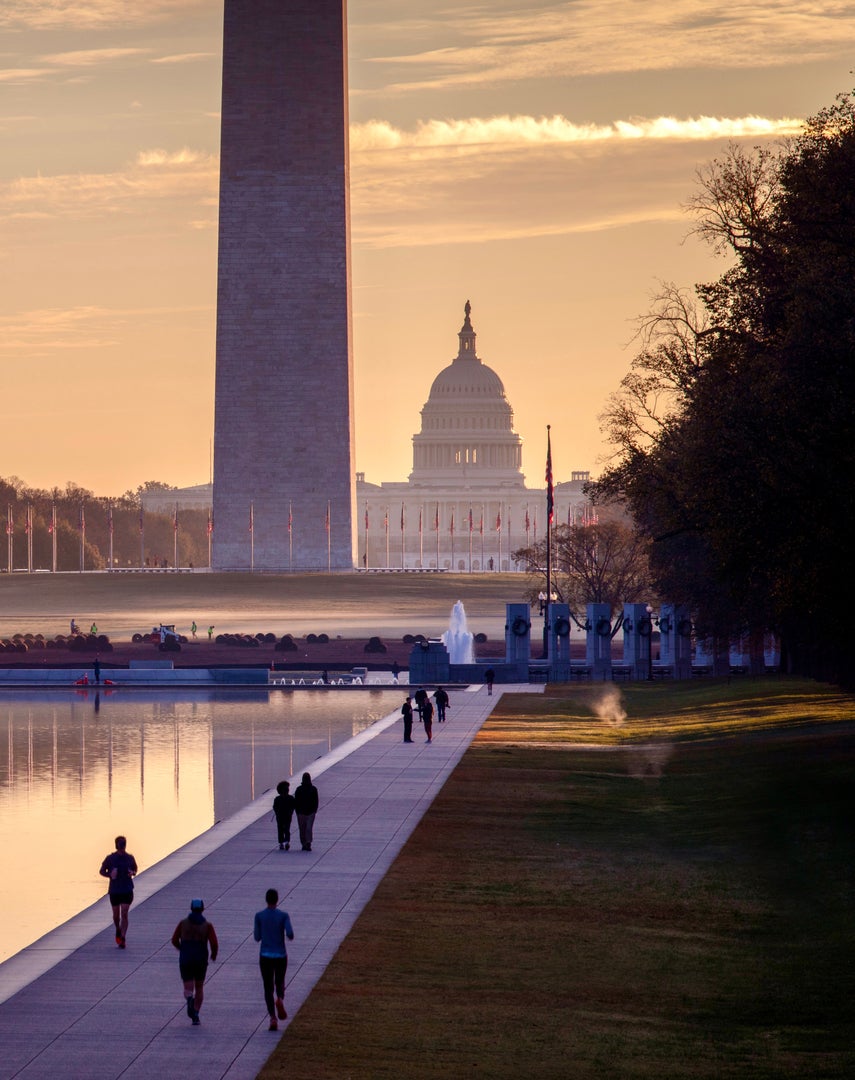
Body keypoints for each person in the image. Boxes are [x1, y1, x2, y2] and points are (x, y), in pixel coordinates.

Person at [171, 898, 218, 1025]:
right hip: (201, 959)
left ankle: (189, 998)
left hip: (186, 959)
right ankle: (196, 1013)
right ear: (202, 909)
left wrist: (182, 948)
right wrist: (213, 955)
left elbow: (174, 939)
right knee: (199, 986)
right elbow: (214, 943)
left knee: (188, 986)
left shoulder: (183, 923)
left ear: (191, 908)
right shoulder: (207, 925)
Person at [254, 888, 295, 1031]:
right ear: (277, 900)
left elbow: (257, 937)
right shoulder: (284, 916)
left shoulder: (259, 916)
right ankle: (280, 999)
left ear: (266, 899)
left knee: (267, 986)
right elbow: (290, 933)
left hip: (265, 955)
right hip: (280, 955)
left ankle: (272, 1018)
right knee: (280, 981)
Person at [99, 835, 138, 948]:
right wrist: (109, 875)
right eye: (120, 845)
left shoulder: (130, 858)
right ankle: (118, 929)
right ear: (116, 845)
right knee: (116, 916)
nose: (122, 848)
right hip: (115, 890)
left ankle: (123, 938)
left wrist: (132, 872)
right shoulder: (110, 858)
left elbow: (135, 869)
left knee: (124, 913)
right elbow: (101, 871)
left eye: (123, 845)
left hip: (127, 889)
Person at [294, 772, 319, 851]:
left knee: (308, 828)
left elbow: (316, 800)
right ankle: (304, 843)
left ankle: (308, 842)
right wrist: (297, 811)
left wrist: (314, 810)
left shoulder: (313, 789)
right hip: (301, 812)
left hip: (310, 812)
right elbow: (296, 801)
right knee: (303, 829)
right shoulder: (299, 789)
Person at [273, 780, 296, 850]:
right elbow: (275, 807)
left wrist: (290, 812)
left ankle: (285, 842)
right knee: (282, 830)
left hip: (286, 816)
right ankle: (283, 842)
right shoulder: (278, 799)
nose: (287, 790)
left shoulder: (290, 798)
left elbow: (293, 806)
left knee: (285, 829)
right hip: (281, 816)